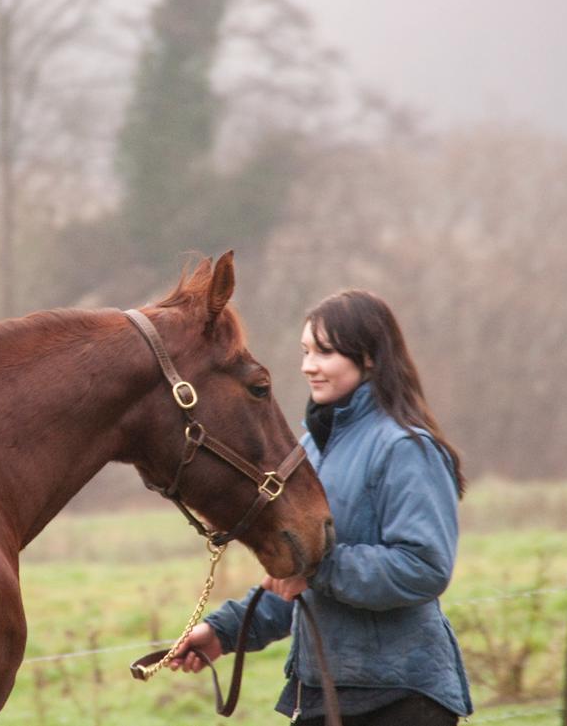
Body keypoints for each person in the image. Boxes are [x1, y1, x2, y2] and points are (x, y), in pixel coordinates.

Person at [170, 289, 472, 725]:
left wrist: (317, 571)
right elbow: (298, 578)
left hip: (399, 699)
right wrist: (224, 631)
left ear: (369, 358)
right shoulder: (309, 449)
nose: (308, 366)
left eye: (325, 352)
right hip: (320, 694)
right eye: (305, 351)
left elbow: (424, 567)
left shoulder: (406, 448)